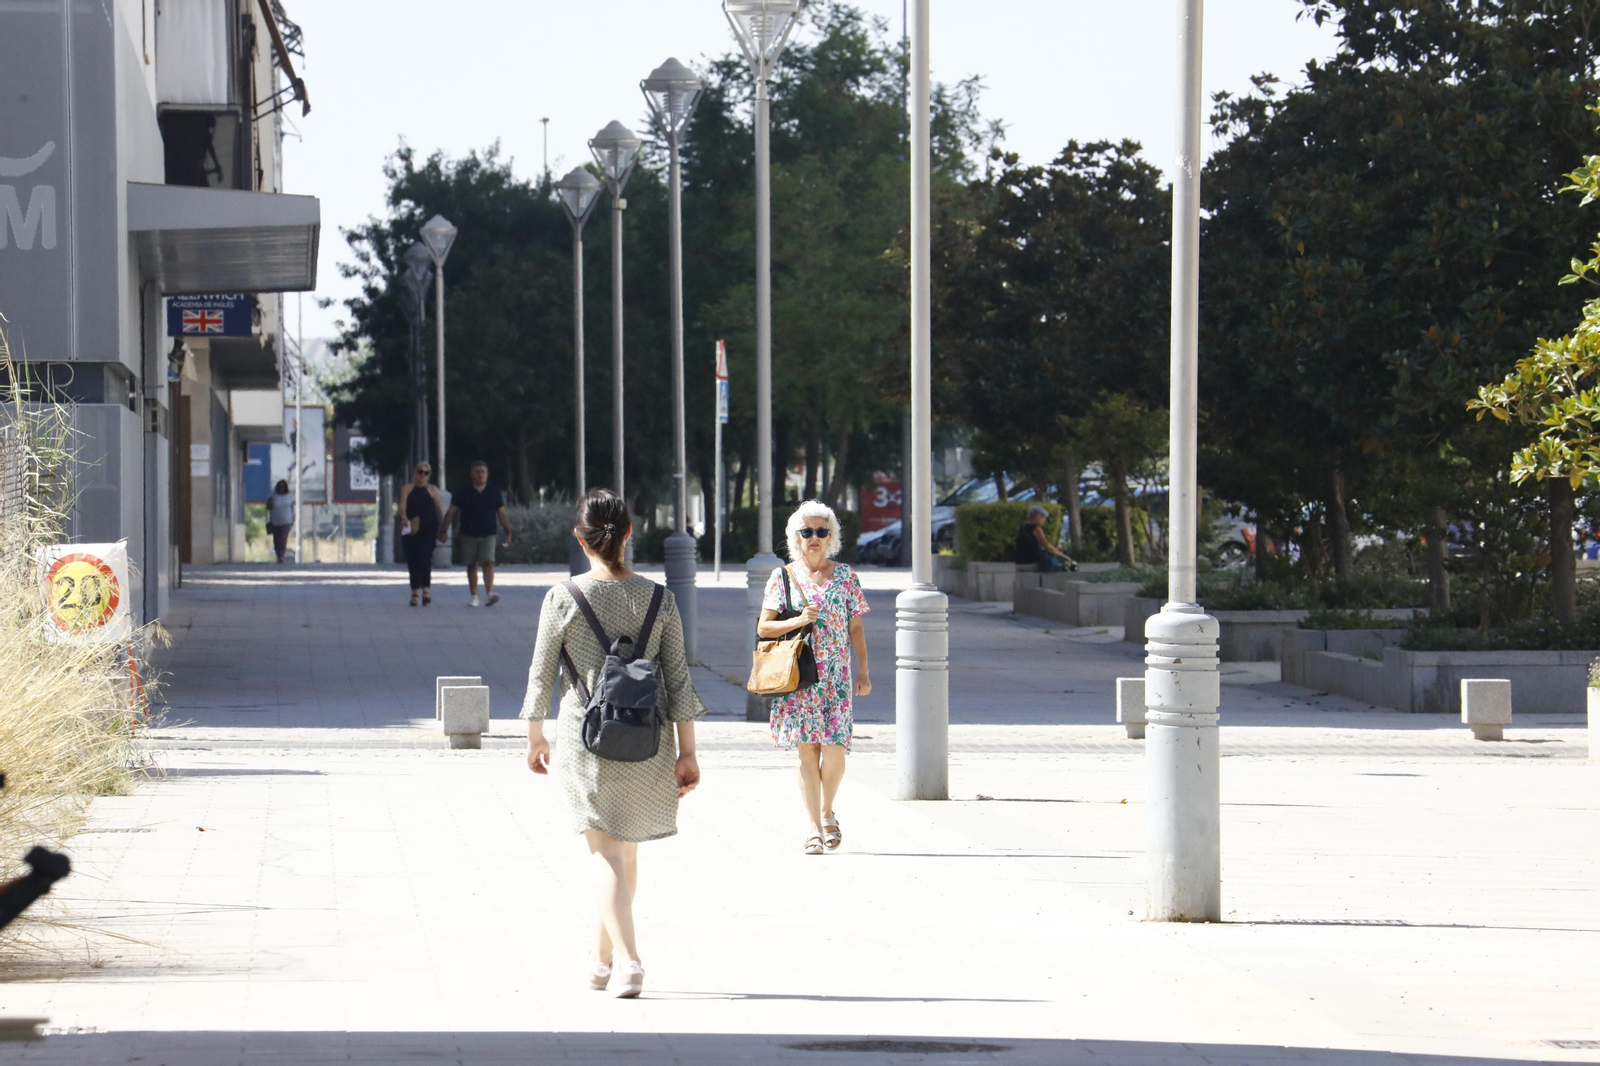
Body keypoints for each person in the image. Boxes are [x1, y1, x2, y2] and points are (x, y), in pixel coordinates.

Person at [520, 489, 704, 999]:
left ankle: (629, 962)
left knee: (603, 851)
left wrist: (534, 736)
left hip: (586, 738)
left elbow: (540, 676)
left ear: (581, 539)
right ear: (628, 534)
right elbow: (678, 681)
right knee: (625, 854)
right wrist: (688, 753)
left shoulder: (562, 597)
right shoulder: (660, 598)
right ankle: (600, 960)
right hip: (650, 739)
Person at [757, 499, 871, 856]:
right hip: (801, 678)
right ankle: (813, 828)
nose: (814, 537)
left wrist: (864, 672)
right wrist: (799, 620)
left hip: (836, 679)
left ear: (832, 536)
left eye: (822, 531)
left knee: (835, 750)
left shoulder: (846, 576)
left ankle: (826, 811)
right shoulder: (782, 577)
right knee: (807, 753)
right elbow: (764, 627)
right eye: (807, 532)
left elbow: (856, 628)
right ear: (796, 537)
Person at [439, 460, 512, 607]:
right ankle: (474, 596)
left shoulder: (493, 491)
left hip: (489, 533)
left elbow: (502, 513)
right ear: (471, 474)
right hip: (468, 533)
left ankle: (490, 593)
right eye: (477, 472)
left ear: (487, 474)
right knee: (471, 564)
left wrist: (508, 531)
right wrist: (443, 530)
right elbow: (451, 511)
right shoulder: (462, 492)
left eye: (483, 472)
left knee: (488, 562)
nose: (480, 475)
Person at [397, 462, 442, 606]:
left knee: (425, 558)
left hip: (429, 529)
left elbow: (438, 509)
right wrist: (403, 517)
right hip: (411, 529)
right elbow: (402, 506)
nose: (422, 475)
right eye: (420, 472)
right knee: (413, 559)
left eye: (426, 473)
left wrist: (442, 527)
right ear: (414, 472)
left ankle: (426, 589)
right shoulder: (408, 489)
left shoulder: (433, 490)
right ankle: (415, 590)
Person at [1015, 505, 1077, 573]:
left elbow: (1036, 545)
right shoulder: (1037, 529)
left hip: (1019, 563)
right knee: (1055, 566)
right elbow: (1046, 546)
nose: (1044, 520)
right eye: (1043, 517)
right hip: (1030, 563)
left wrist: (1056, 549)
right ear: (1036, 517)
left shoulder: (1022, 527)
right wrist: (1065, 557)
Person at [267, 479, 294, 564]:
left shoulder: (289, 497)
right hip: (275, 521)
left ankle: (281, 555)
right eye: (279, 487)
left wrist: (293, 519)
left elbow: (292, 509)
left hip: (286, 521)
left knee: (283, 538)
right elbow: (268, 509)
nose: (281, 489)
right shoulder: (273, 497)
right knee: (276, 539)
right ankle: (278, 555)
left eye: (282, 487)